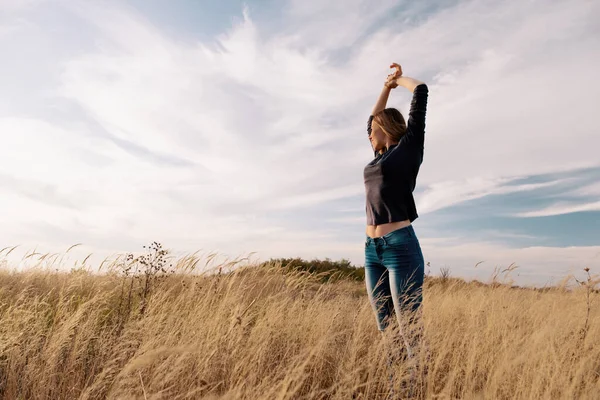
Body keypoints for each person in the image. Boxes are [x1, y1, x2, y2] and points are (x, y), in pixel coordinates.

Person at [363, 63, 429, 395]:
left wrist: (399, 80)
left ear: (384, 129)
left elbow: (420, 91)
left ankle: (416, 390)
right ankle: (396, 391)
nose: (368, 133)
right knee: (386, 328)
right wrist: (385, 87)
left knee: (408, 329)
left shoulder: (408, 151)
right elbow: (371, 119)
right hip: (371, 250)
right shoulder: (376, 160)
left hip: (400, 247)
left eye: (373, 129)